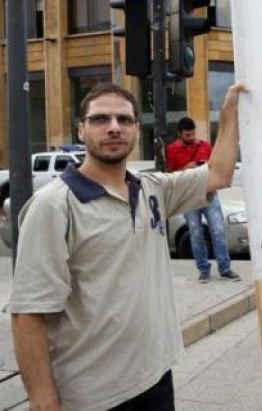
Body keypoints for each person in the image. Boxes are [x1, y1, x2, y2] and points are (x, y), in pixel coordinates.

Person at [9, 82, 246, 411]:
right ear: (81, 130)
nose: (113, 127)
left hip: (156, 377)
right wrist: (42, 399)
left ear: (136, 130)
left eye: (123, 119)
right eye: (100, 119)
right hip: (94, 397)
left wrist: (229, 111)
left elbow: (218, 174)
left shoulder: (152, 188)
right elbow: (29, 312)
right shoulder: (53, 205)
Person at [167, 116, 240, 283]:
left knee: (218, 230)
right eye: (187, 135)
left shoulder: (204, 146)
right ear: (179, 134)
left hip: (209, 192)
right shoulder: (171, 150)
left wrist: (205, 166)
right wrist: (185, 169)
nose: (191, 137)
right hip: (189, 197)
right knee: (195, 233)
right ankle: (203, 269)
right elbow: (170, 177)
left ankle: (225, 268)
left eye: (193, 134)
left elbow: (214, 167)